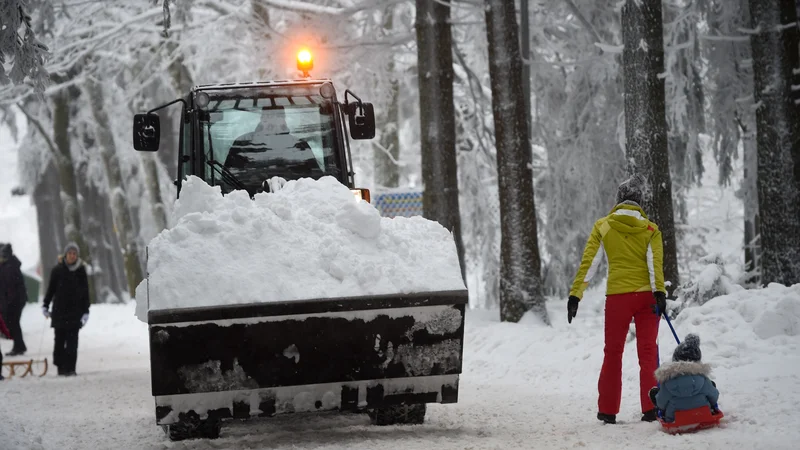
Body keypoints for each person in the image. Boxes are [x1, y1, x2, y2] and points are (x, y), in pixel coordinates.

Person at [567, 174, 668, 424]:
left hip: (617, 299)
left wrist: (575, 294)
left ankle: (608, 411)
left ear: (619, 200)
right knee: (648, 352)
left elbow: (590, 263)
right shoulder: (651, 230)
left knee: (613, 352)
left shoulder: (604, 226)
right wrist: (659, 293)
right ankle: (651, 408)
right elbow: (654, 265)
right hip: (647, 298)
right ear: (639, 202)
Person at [42, 242, 90, 376]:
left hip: (75, 313)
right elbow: (50, 290)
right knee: (59, 342)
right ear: (65, 254)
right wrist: (45, 305)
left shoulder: (81, 271)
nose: (72, 256)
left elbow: (85, 292)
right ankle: (60, 366)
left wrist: (86, 311)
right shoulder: (57, 270)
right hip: (59, 312)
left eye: (75, 253)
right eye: (70, 253)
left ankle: (71, 368)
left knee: (72, 343)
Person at [649, 334, 720, 423]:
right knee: (711, 385)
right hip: (702, 414)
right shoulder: (703, 379)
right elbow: (714, 397)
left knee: (656, 394)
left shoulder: (668, 381)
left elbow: (661, 403)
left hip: (674, 418)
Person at [0, 242, 28, 356]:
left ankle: (19, 346)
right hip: (14, 300)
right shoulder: (7, 265)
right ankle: (19, 346)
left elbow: (10, 288)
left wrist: (7, 304)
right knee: (13, 323)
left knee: (13, 323)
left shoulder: (9, 267)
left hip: (15, 301)